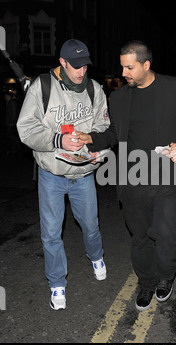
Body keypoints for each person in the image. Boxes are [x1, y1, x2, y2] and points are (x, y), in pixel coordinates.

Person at [78, 40, 176, 311]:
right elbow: (115, 134)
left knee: (168, 231)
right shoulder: (120, 97)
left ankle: (165, 277)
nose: (124, 73)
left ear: (146, 65)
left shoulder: (175, 87)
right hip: (133, 177)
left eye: (130, 67)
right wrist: (91, 139)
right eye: (122, 66)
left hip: (168, 175)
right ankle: (147, 282)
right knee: (141, 236)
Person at [17, 39, 109, 310]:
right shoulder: (42, 87)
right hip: (51, 175)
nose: (82, 71)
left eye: (85, 65)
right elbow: (26, 129)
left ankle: (96, 256)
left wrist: (95, 147)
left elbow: (104, 126)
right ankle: (57, 283)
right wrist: (58, 140)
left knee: (91, 226)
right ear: (62, 63)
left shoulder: (94, 89)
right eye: (76, 66)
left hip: (83, 174)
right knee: (51, 234)